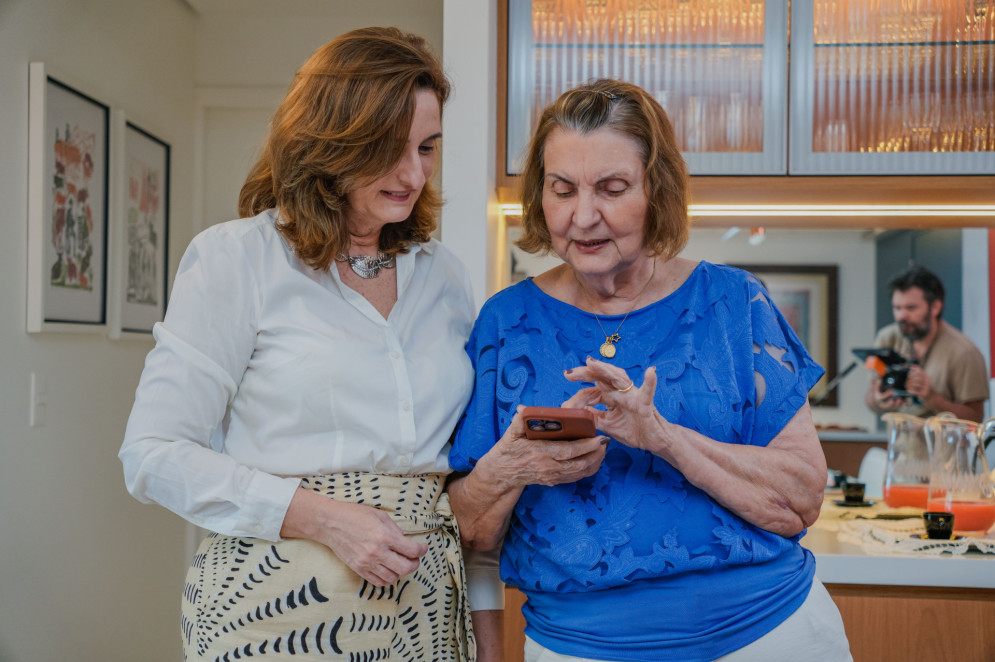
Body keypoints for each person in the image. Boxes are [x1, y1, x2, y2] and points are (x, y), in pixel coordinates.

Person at [119, 27, 501, 661]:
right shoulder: (237, 259)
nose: (413, 174)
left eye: (427, 147)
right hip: (270, 608)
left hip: (423, 614)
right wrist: (321, 517)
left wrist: (487, 640)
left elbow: (459, 477)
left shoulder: (446, 276)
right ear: (331, 139)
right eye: (387, 148)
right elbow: (152, 454)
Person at [447, 78, 852, 662]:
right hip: (579, 648)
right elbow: (471, 531)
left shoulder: (734, 302)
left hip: (770, 635)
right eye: (562, 189)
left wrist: (662, 437)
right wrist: (510, 467)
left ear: (655, 192)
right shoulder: (505, 323)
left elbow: (799, 500)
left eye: (612, 189)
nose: (583, 216)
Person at [865, 265, 988, 422]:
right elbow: (870, 398)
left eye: (911, 308)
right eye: (897, 308)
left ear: (936, 307)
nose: (902, 316)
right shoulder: (887, 338)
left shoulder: (964, 352)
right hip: (898, 444)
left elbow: (976, 418)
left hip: (943, 446)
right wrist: (878, 400)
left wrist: (932, 398)